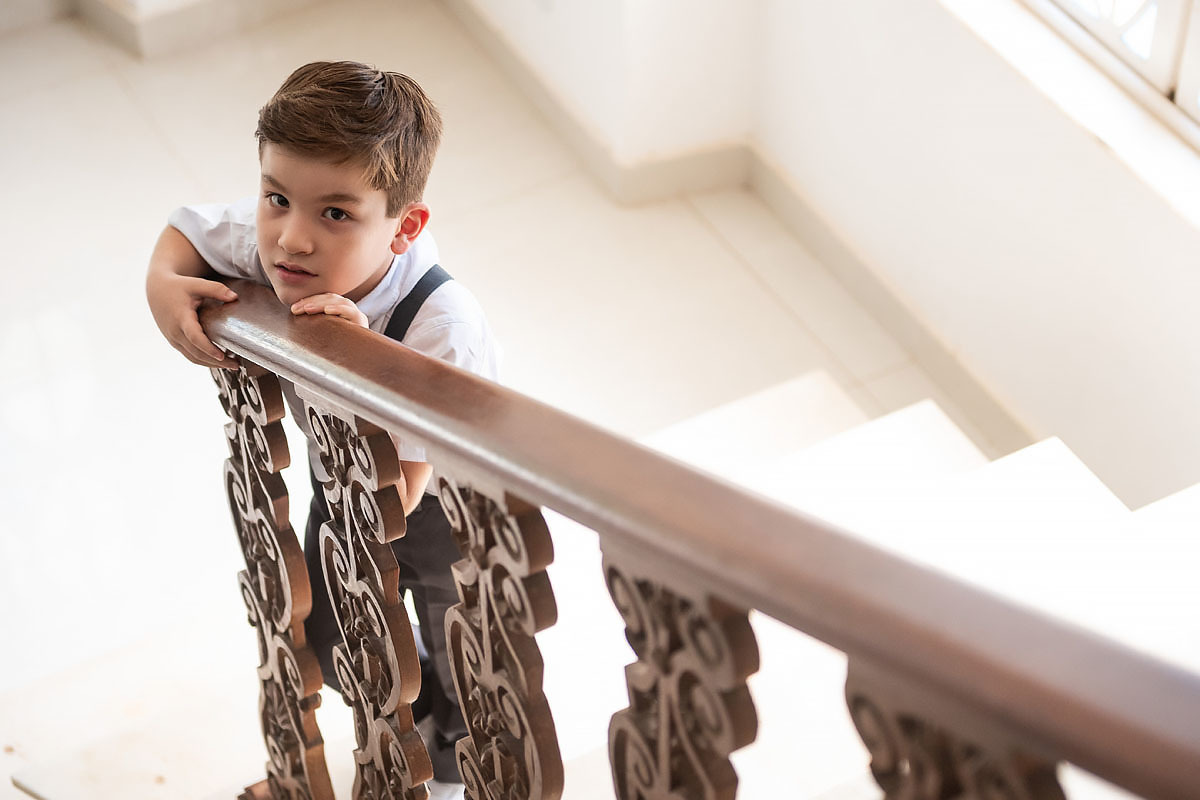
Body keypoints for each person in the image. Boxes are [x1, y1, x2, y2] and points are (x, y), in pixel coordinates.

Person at [145, 60, 498, 800]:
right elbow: (185, 232)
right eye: (277, 197)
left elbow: (395, 500)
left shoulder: (444, 328)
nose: (290, 241)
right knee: (336, 629)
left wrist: (355, 365)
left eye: (335, 213)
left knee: (458, 643)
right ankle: (391, 725)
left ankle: (443, 772)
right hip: (341, 484)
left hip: (445, 503)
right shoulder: (283, 233)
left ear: (404, 228)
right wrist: (164, 285)